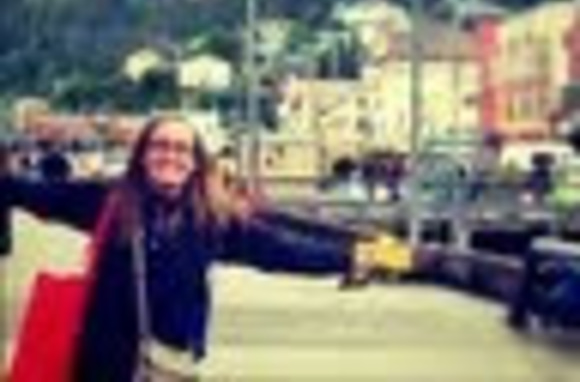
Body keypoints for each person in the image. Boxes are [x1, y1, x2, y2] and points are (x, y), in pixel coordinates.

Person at [2, 115, 411, 381]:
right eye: (160, 145)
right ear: (142, 155)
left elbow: (280, 248)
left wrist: (361, 256)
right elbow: (31, 194)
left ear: (196, 162)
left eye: (181, 149)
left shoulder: (210, 220)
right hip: (101, 366)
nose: (170, 156)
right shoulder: (107, 201)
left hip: (168, 367)